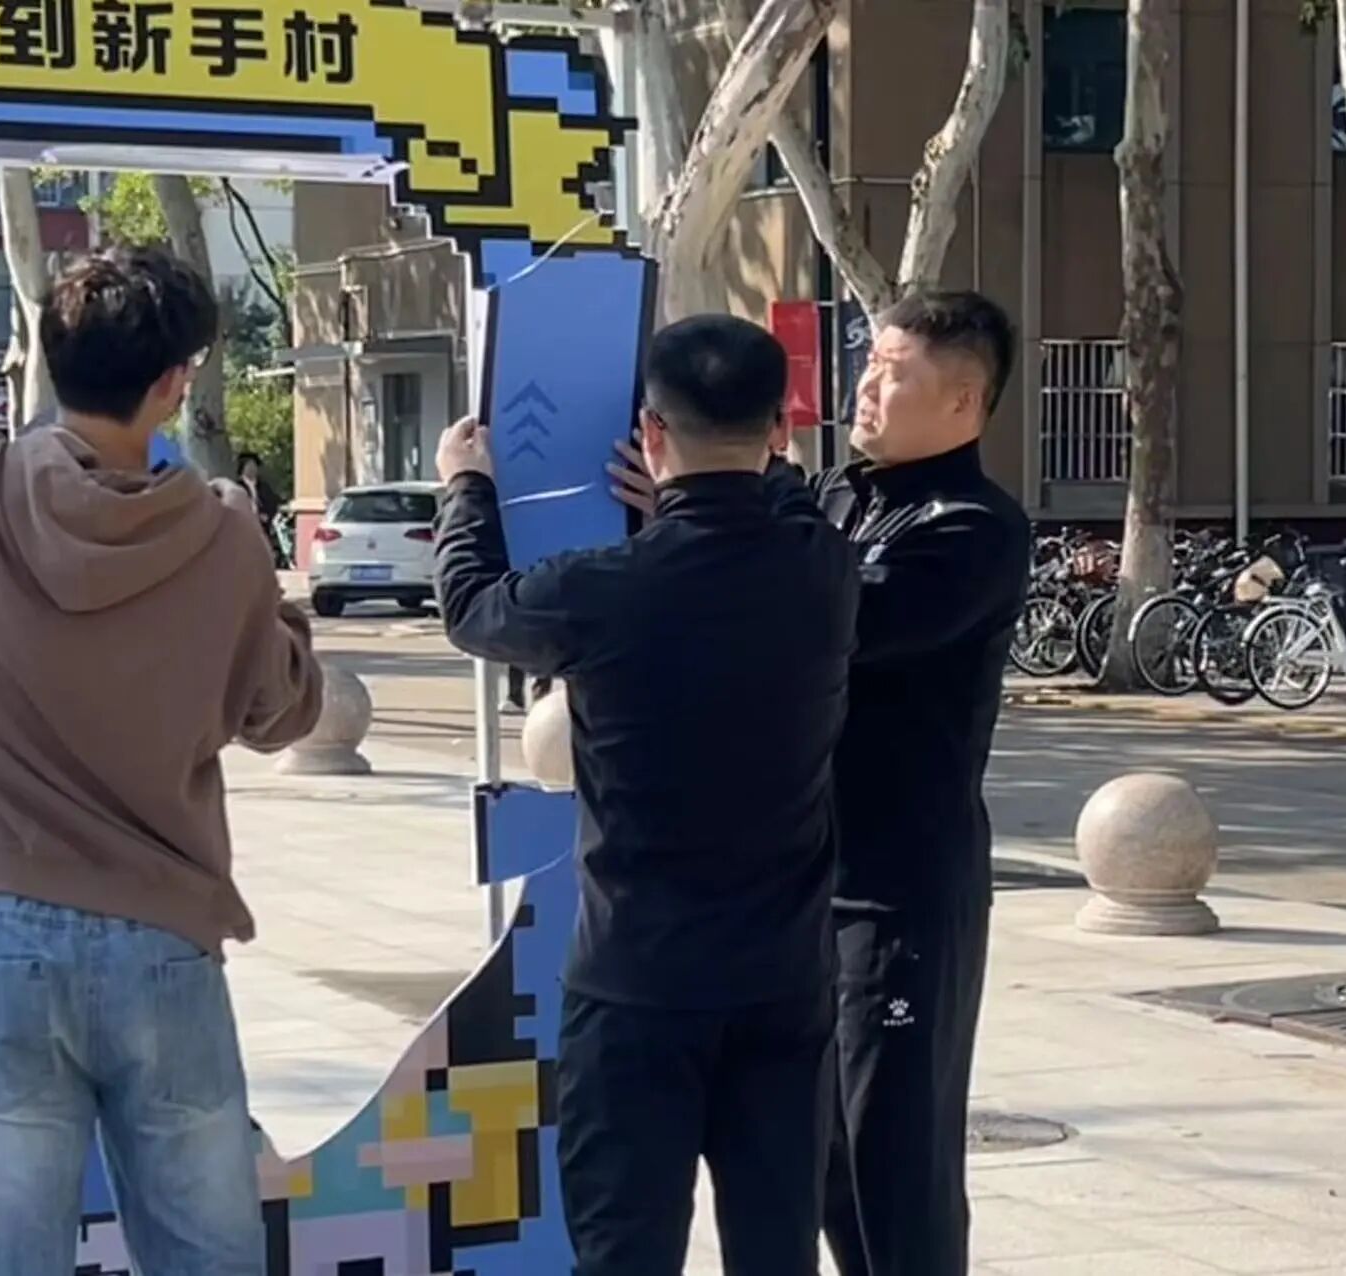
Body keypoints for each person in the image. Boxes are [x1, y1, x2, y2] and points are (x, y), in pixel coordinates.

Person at [0, 82, 322, 1276]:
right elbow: (282, 711)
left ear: (46, 352)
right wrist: (269, 595)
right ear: (174, 385)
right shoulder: (222, 539)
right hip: (165, 940)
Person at [612, 290, 1031, 1276]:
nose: (867, 388)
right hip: (798, 886)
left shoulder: (973, 528)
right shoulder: (835, 497)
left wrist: (720, 513)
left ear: (964, 402)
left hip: (898, 890)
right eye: (870, 362)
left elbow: (834, 620)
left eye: (896, 373)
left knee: (893, 1160)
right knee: (816, 1158)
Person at [434, 316, 859, 1275]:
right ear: (781, 429)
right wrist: (702, 492)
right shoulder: (823, 571)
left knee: (624, 1251)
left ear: (652, 434)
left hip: (638, 984)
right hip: (785, 982)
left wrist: (468, 488)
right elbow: (788, 503)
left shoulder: (603, 589)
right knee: (777, 1251)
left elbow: (472, 608)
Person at [237, 450, 286, 566]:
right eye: (249, 465)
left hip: (263, 525)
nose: (252, 469)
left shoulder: (263, 486)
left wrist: (266, 515)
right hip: (245, 525)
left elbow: (273, 503)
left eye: (254, 465)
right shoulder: (237, 486)